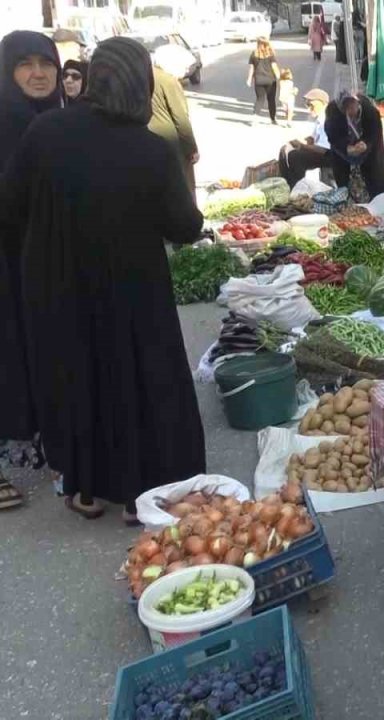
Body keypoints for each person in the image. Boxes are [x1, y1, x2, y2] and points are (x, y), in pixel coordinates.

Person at [0, 37, 206, 523]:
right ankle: (141, 497)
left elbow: (10, 204)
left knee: (78, 380)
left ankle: (88, 491)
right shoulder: (149, 149)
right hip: (134, 291)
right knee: (138, 380)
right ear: (140, 85)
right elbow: (185, 225)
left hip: (57, 287)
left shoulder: (46, 132)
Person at [0, 30, 63, 510]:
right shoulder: (8, 120)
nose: (39, 73)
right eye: (25, 64)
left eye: (46, 63)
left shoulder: (52, 119)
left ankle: (40, 432)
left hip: (34, 256)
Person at [324, 90, 384, 202]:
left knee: (374, 181)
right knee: (343, 182)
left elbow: (374, 133)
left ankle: (376, 200)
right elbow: (333, 137)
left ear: (358, 103)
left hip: (369, 150)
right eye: (346, 108)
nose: (350, 111)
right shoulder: (333, 112)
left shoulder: (370, 111)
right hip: (343, 151)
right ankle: (346, 202)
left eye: (352, 106)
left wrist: (366, 144)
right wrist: (346, 148)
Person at [148, 64, 199, 193]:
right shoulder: (168, 80)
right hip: (170, 138)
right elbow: (181, 118)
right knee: (183, 181)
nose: (185, 71)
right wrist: (192, 148)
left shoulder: (143, 76)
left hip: (147, 135)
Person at [279, 88, 333, 187]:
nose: (308, 109)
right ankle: (286, 184)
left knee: (296, 157)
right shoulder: (320, 118)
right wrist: (299, 141)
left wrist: (302, 146)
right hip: (321, 151)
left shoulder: (328, 119)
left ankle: (297, 187)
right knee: (284, 151)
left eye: (311, 106)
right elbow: (312, 138)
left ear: (323, 104)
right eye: (307, 105)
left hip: (330, 155)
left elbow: (324, 149)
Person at [246, 37, 280, 125]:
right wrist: (279, 76)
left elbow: (251, 68)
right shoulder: (270, 54)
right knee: (271, 100)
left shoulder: (254, 54)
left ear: (258, 44)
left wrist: (249, 79)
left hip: (259, 81)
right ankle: (273, 119)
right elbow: (274, 67)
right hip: (270, 81)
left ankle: (255, 117)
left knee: (260, 99)